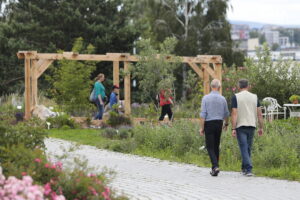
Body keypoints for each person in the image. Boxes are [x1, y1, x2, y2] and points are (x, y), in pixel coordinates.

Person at [231, 79, 264, 177]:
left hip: (241, 125)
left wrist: (233, 128)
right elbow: (259, 114)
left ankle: (248, 169)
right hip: (252, 125)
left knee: (244, 147)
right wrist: (261, 127)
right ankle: (244, 168)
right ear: (248, 86)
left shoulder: (236, 97)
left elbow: (234, 113)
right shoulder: (255, 97)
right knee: (247, 147)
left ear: (238, 86)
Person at [199, 79, 229, 176]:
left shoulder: (205, 98)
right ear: (219, 87)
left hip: (209, 123)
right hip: (219, 123)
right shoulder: (223, 99)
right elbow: (226, 114)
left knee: (209, 146)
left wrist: (202, 128)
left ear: (211, 86)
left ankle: (215, 166)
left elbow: (203, 114)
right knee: (216, 145)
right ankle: (215, 168)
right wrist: (226, 124)